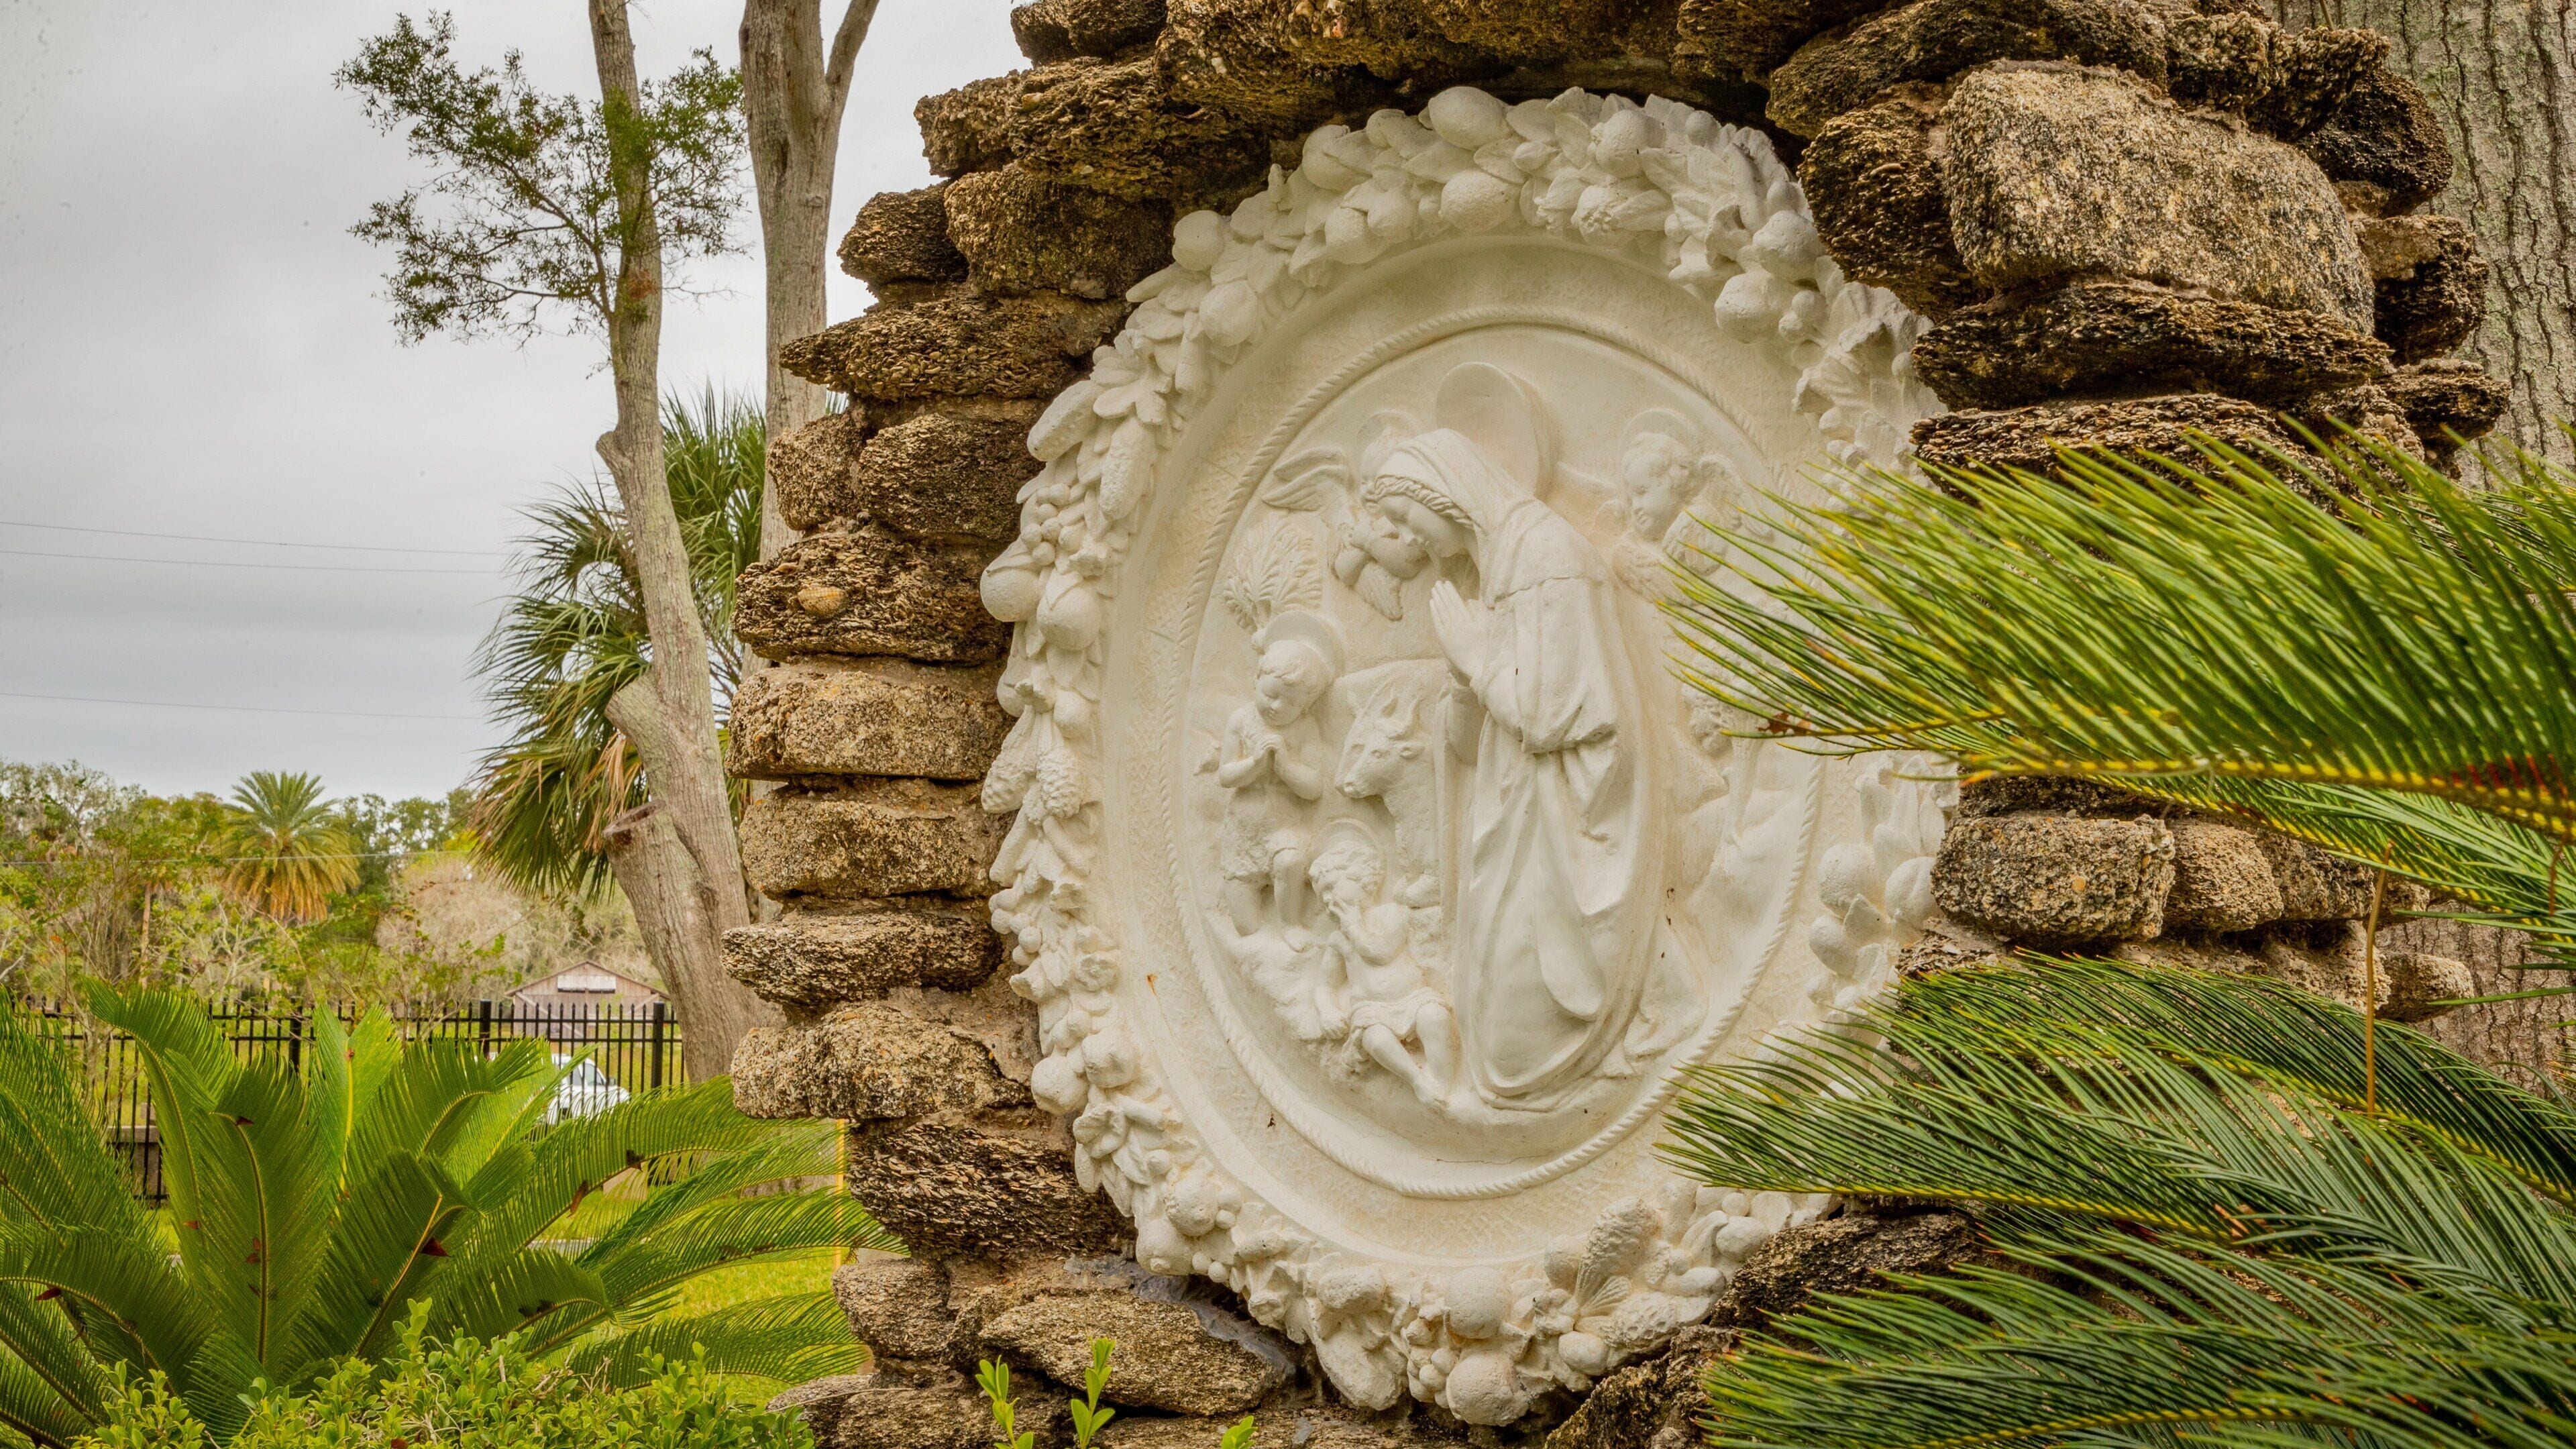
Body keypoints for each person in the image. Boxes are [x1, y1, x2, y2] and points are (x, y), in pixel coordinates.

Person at [1358, 427, 1657, 1108]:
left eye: (1408, 519)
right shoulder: (1503, 563)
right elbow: (1497, 719)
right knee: (1492, 997)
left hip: (1561, 820)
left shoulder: (1547, 556)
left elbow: (1555, 715)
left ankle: (1561, 1074)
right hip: (1515, 807)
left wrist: (1475, 657)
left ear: (1444, 492)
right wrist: (1465, 681)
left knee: (1517, 1021)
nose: (1415, 541)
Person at [1216, 610, 1340, 938]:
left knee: (1289, 862)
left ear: (1305, 708)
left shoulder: (1304, 730)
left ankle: (1289, 923)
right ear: (1256, 680)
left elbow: (1313, 788)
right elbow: (1227, 776)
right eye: (1270, 695)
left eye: (1289, 704)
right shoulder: (1241, 722)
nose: (1275, 707)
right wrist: (1255, 763)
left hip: (1282, 827)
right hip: (1244, 830)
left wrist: (1285, 766)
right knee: (1246, 927)